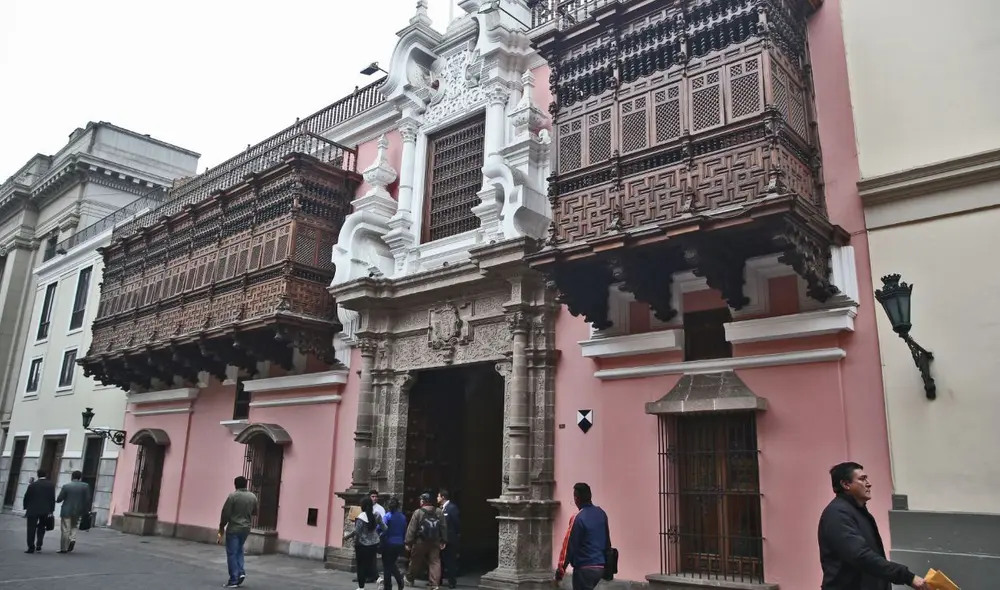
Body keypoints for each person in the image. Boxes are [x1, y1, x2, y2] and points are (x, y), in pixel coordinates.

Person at [818, 462, 928, 590]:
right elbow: (860, 556)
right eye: (862, 479)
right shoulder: (837, 514)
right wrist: (907, 577)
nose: (869, 483)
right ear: (846, 484)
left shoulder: (857, 511)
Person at [561, 483, 610, 590]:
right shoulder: (601, 513)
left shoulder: (578, 518)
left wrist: (560, 571)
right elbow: (607, 541)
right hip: (600, 566)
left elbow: (570, 546)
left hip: (584, 567)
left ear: (576, 498)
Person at [218, 476, 259, 588]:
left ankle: (233, 579)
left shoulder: (233, 496)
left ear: (235, 484)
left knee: (231, 553)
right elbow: (255, 512)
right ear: (246, 484)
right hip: (246, 528)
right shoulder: (252, 497)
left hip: (234, 528)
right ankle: (240, 572)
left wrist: (221, 526)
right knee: (239, 550)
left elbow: (225, 513)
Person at [405, 492, 448, 590]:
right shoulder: (439, 511)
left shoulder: (418, 512)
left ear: (423, 501)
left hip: (420, 541)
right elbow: (443, 527)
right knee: (435, 562)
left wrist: (408, 542)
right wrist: (444, 540)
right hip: (435, 541)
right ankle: (434, 584)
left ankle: (410, 579)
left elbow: (411, 529)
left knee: (415, 561)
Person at [346, 497, 384, 590]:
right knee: (371, 563)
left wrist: (347, 536)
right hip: (374, 544)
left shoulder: (361, 517)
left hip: (362, 545)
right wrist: (377, 534)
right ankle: (378, 579)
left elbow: (357, 531)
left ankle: (361, 587)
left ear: (362, 506)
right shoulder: (376, 515)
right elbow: (384, 527)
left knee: (361, 566)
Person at [56, 470, 92, 553]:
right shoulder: (85, 486)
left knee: (65, 529)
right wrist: (86, 510)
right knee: (74, 526)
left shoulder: (66, 486)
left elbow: (59, 498)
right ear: (80, 477)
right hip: (78, 510)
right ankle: (72, 539)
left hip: (66, 510)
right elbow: (87, 499)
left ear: (72, 477)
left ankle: (63, 548)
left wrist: (58, 500)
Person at [23, 468, 56, 554]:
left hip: (32, 510)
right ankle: (39, 544)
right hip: (45, 510)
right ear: (46, 475)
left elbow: (26, 497)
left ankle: (31, 547)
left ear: (37, 475)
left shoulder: (32, 485)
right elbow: (52, 498)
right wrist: (51, 510)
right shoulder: (51, 485)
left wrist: (25, 507)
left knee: (31, 528)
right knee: (42, 527)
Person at [381, 497, 407, 590]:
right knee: (391, 563)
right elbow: (404, 530)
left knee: (387, 566)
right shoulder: (402, 517)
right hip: (399, 543)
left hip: (389, 543)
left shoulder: (387, 516)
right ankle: (399, 580)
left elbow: (382, 529)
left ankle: (388, 587)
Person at [438, 489, 460, 589]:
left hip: (450, 540)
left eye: (438, 496)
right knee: (439, 561)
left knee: (450, 561)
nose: (437, 498)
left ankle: (452, 581)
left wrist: (453, 536)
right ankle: (439, 579)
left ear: (443, 497)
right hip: (440, 539)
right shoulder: (441, 508)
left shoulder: (452, 508)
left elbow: (456, 523)